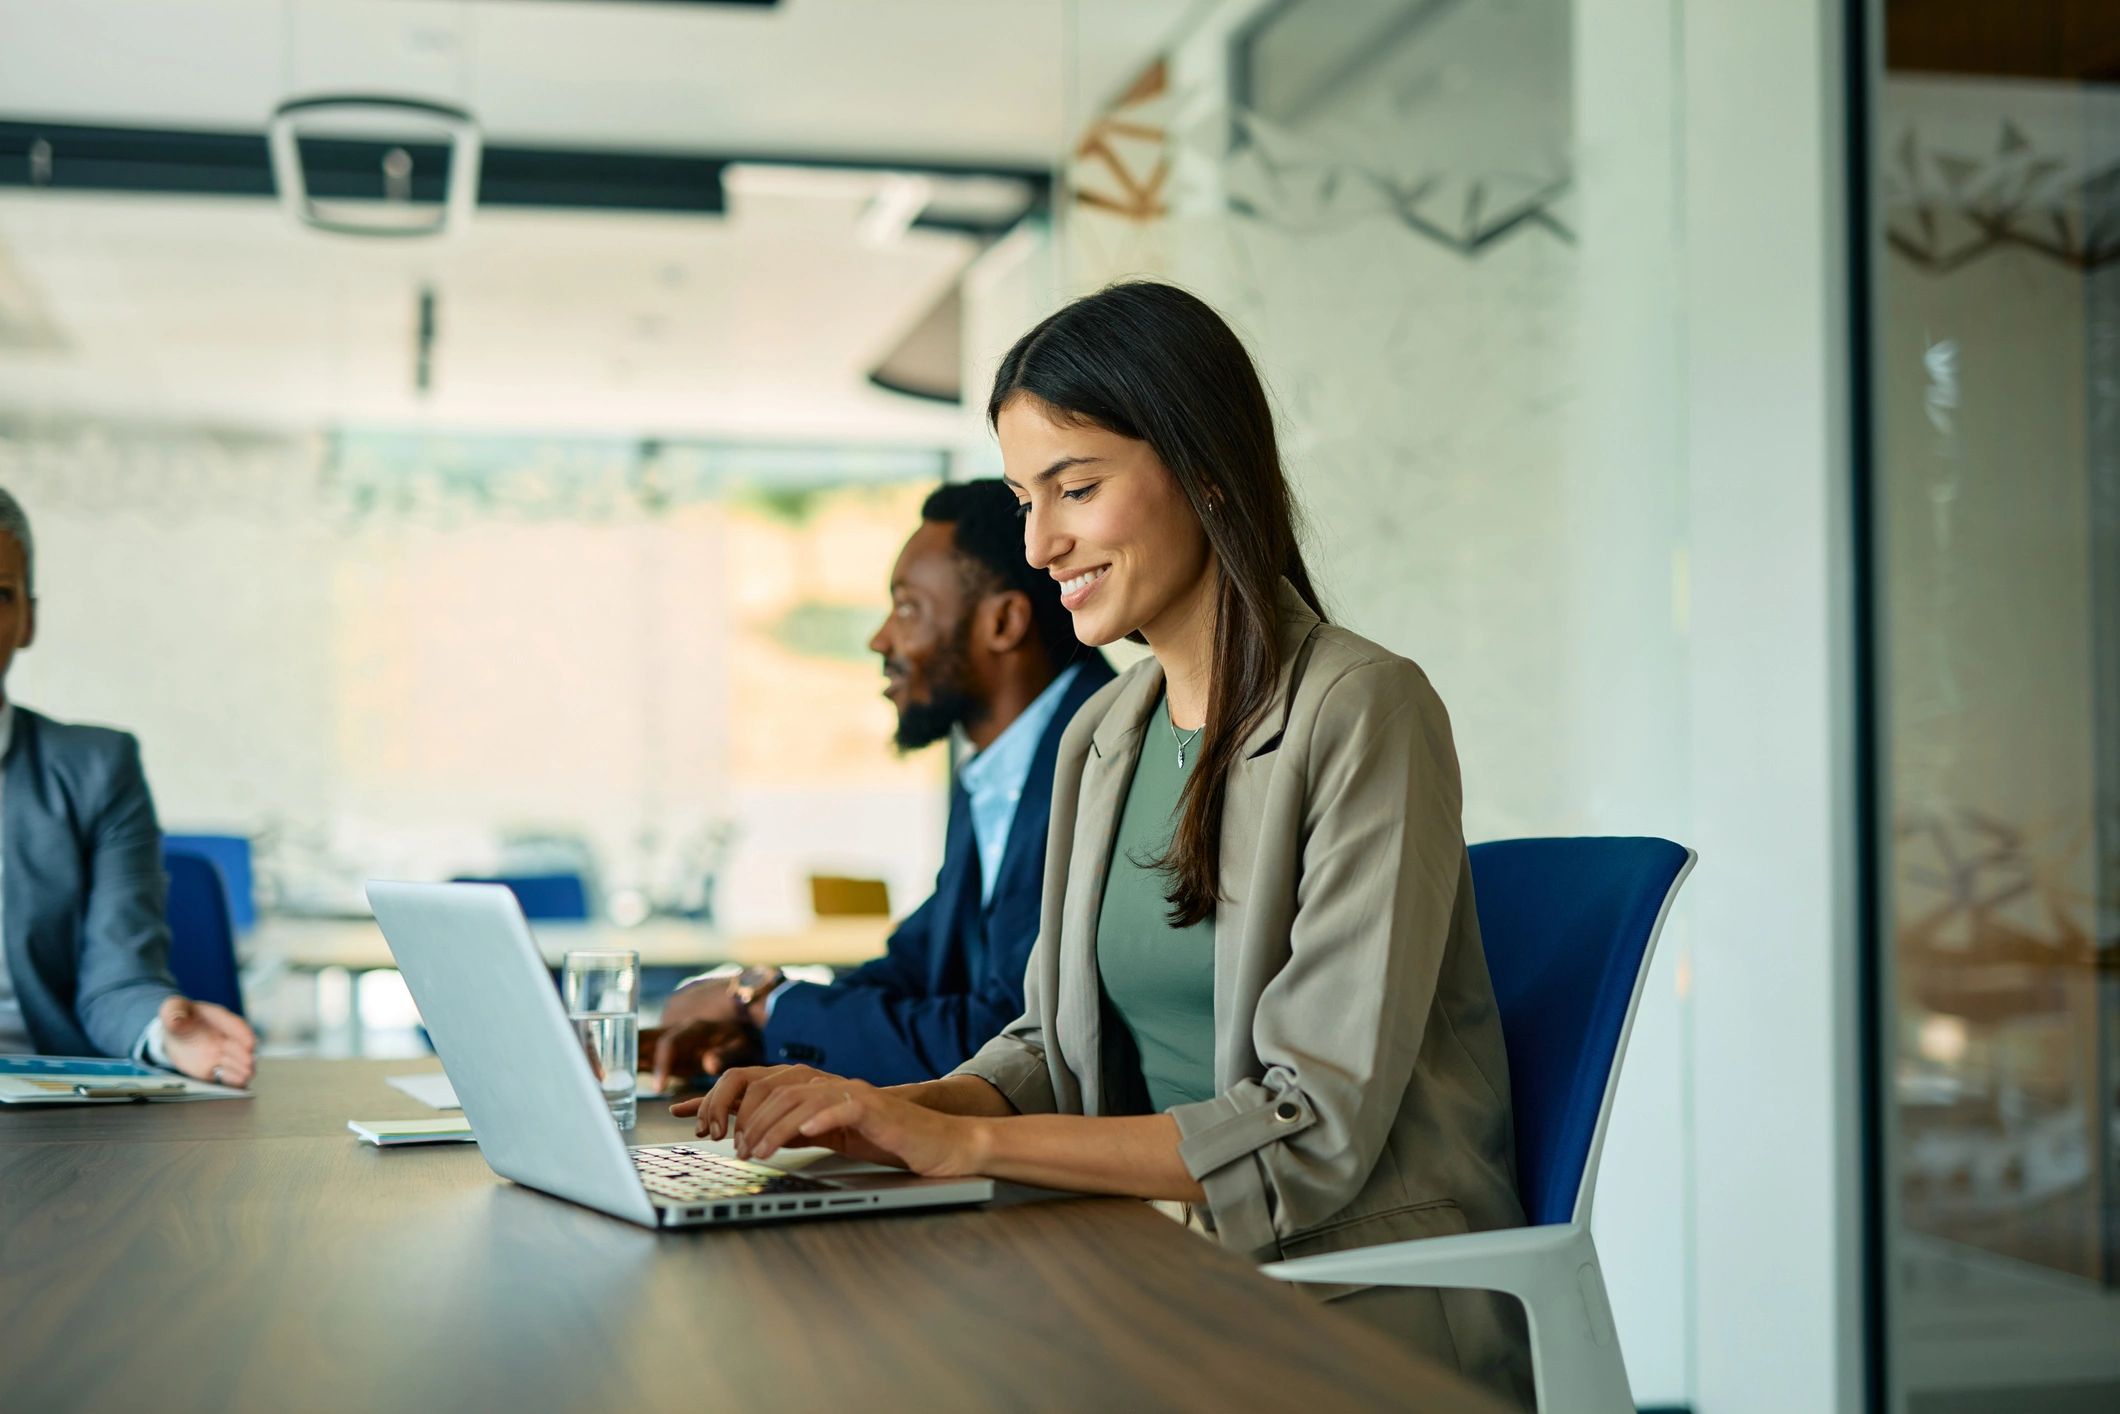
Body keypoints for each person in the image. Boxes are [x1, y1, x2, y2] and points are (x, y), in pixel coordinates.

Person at [678, 283, 1533, 1404]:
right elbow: (1049, 1045)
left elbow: (1306, 1131)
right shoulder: (1103, 732)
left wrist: (968, 1148)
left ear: (1207, 469)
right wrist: (887, 1113)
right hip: (1149, 1263)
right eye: (1027, 499)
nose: (1039, 544)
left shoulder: (1363, 708)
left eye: (1074, 488)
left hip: (1337, 1307)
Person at [644, 481, 1113, 1090]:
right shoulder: (997, 768)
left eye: (909, 608)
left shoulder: (1099, 757)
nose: (880, 639)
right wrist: (765, 1024)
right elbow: (918, 964)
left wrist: (761, 1002)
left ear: (1003, 622)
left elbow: (1005, 1038)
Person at [0, 487, 256, 1086]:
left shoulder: (97, 767)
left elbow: (118, 980)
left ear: (28, 619)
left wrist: (165, 1031)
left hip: (46, 1106)